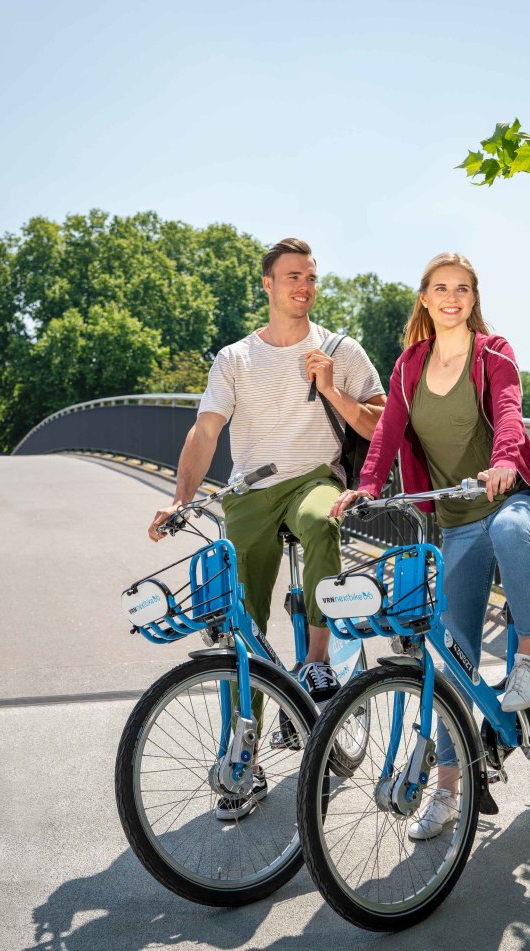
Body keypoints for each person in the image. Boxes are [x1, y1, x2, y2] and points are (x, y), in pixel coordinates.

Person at [148, 237, 385, 817]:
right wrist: (180, 500)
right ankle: (243, 757)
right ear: (268, 285)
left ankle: (318, 661)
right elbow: (205, 432)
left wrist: (330, 386)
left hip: (313, 479)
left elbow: (382, 423)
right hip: (250, 491)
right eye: (292, 277)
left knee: (320, 521)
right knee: (243, 627)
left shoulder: (339, 348)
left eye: (310, 277)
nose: (303, 287)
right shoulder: (235, 358)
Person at [330, 251, 530, 840]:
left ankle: (527, 657)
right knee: (451, 661)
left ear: (473, 298)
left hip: (512, 499)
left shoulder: (494, 353)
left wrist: (505, 462)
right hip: (454, 517)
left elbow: (509, 414)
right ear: (425, 299)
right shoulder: (409, 366)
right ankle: (450, 791)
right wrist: (368, 488)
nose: (452, 298)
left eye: (462, 289)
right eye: (440, 289)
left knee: (508, 532)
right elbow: (386, 434)